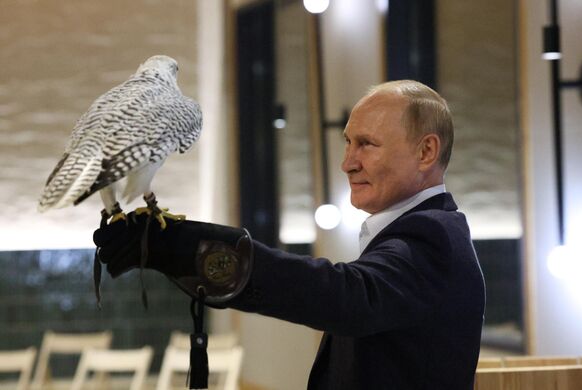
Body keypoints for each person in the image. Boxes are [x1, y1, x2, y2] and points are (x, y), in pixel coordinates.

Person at [94, 80, 485, 389]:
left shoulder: (433, 238)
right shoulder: (415, 234)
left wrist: (191, 248)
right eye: (348, 143)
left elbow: (348, 297)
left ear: (426, 152)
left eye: (366, 144)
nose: (348, 163)